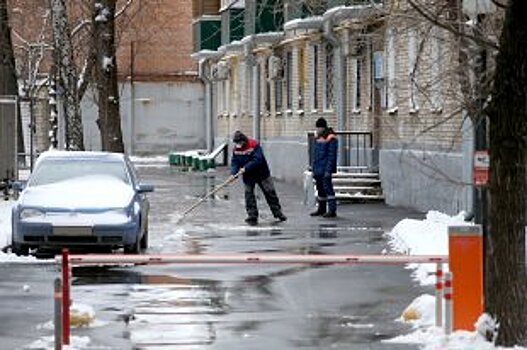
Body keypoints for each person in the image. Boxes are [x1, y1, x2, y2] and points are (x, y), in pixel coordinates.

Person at [230, 130, 287, 225]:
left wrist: (246, 168)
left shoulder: (254, 145)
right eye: (236, 143)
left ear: (243, 141)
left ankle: (278, 213)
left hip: (261, 173)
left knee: (270, 193)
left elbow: (258, 160)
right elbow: (234, 162)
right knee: (249, 195)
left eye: (239, 143)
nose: (238, 145)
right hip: (248, 176)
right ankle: (252, 215)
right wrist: (233, 173)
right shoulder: (236, 149)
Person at [310, 117, 338, 218]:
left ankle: (332, 210)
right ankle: (321, 209)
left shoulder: (331, 138)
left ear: (323, 128)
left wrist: (328, 170)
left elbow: (331, 156)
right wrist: (313, 168)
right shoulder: (318, 138)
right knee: (320, 189)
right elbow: (315, 155)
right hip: (318, 168)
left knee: (328, 189)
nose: (317, 130)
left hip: (325, 168)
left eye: (318, 128)